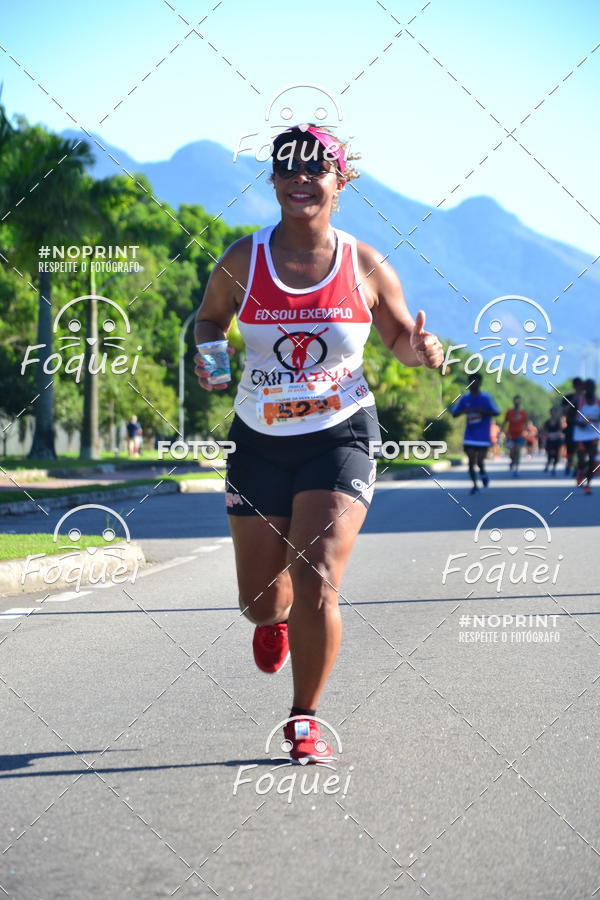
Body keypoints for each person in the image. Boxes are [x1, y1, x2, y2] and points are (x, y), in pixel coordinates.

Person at [193, 125, 444, 762]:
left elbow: (397, 339)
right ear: (274, 180)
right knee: (259, 599)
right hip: (259, 437)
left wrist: (421, 351)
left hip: (341, 434)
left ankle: (304, 719)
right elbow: (209, 318)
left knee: (317, 578)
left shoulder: (365, 264)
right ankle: (273, 624)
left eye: (315, 169)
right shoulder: (242, 260)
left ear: (339, 181)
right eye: (288, 168)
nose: (301, 179)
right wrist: (211, 354)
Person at [450, 373, 499, 494]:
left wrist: (484, 412)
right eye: (471, 383)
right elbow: (454, 413)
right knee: (471, 461)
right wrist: (463, 411)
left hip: (482, 436)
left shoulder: (486, 398)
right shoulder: (465, 399)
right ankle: (475, 485)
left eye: (476, 383)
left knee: (480, 461)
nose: (473, 385)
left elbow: (496, 412)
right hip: (469, 436)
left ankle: (482, 472)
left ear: (480, 384)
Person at [573, 378, 600, 495]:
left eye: (592, 387)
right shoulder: (579, 401)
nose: (590, 390)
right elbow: (569, 418)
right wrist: (580, 423)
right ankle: (580, 473)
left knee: (591, 460)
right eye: (588, 387)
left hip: (594, 434)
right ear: (585, 389)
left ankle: (588, 485)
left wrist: (591, 420)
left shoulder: (598, 402)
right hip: (580, 435)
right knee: (582, 460)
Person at [562, 377, 585, 475]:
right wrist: (575, 398)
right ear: (574, 386)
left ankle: (577, 469)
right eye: (577, 386)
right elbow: (564, 411)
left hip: (583, 428)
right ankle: (569, 462)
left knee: (581, 450)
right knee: (570, 449)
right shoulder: (568, 397)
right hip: (571, 427)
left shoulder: (587, 398)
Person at [503, 395, 528, 476]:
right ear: (513, 401)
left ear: (520, 402)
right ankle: (512, 462)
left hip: (520, 435)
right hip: (510, 435)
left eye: (519, 400)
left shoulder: (523, 413)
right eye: (516, 400)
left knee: (518, 451)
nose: (517, 402)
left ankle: (516, 469)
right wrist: (501, 431)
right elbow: (505, 422)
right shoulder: (509, 412)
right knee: (512, 453)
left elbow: (526, 424)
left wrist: (526, 431)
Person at [541, 409, 564, 476]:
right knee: (549, 453)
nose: (553, 414)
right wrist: (547, 437)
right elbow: (545, 431)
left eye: (554, 412)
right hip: (549, 440)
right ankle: (548, 463)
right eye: (551, 413)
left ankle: (554, 468)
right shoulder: (547, 422)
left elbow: (560, 430)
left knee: (556, 454)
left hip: (556, 440)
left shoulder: (558, 422)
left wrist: (556, 435)